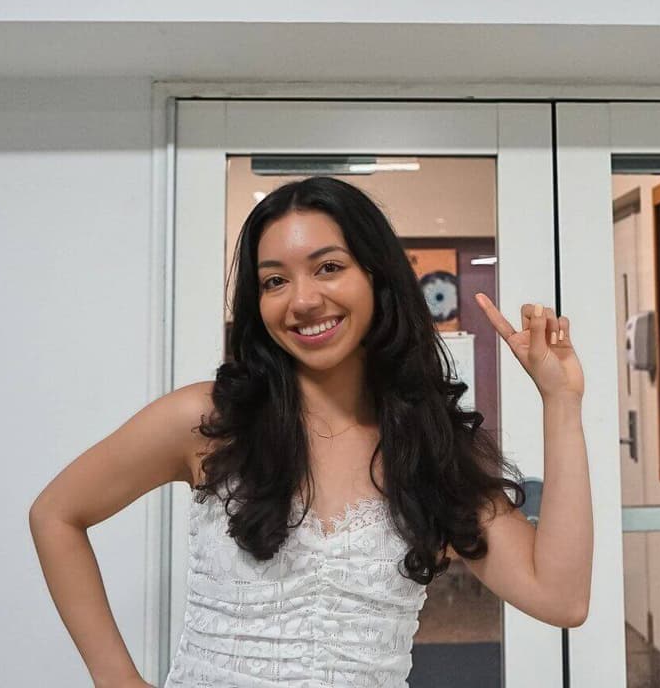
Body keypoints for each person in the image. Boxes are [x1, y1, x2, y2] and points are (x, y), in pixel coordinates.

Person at [29, 176, 594, 687]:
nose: (302, 300)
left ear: (377, 277)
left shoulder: (429, 451)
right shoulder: (209, 421)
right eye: (275, 280)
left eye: (328, 267)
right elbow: (56, 514)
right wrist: (115, 678)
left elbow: (561, 597)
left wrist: (561, 402)